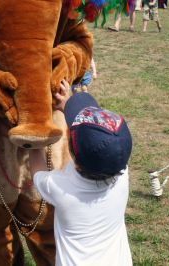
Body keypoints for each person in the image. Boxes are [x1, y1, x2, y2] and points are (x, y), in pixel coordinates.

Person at [29, 80, 133, 266]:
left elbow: (37, 168)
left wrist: (35, 127)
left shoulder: (60, 188)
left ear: (70, 151)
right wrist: (67, 105)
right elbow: (92, 145)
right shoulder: (122, 172)